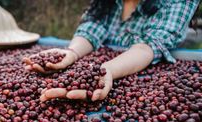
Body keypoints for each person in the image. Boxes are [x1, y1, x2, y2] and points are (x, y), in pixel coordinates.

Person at [23, 0, 200, 102]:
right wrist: (72, 52)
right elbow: (92, 28)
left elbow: (148, 46)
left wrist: (108, 69)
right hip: (103, 61)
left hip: (151, 75)